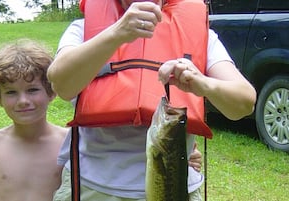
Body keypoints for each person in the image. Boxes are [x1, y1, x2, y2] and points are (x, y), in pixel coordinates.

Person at [48, 0, 257, 200]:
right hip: (94, 186)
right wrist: (117, 32)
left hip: (174, 185)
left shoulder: (203, 37)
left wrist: (203, 83)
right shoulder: (82, 29)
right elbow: (61, 85)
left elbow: (244, 103)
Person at [0, 39, 68, 201]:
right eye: (11, 92)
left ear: (51, 91)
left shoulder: (68, 141)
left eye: (32, 90)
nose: (23, 100)